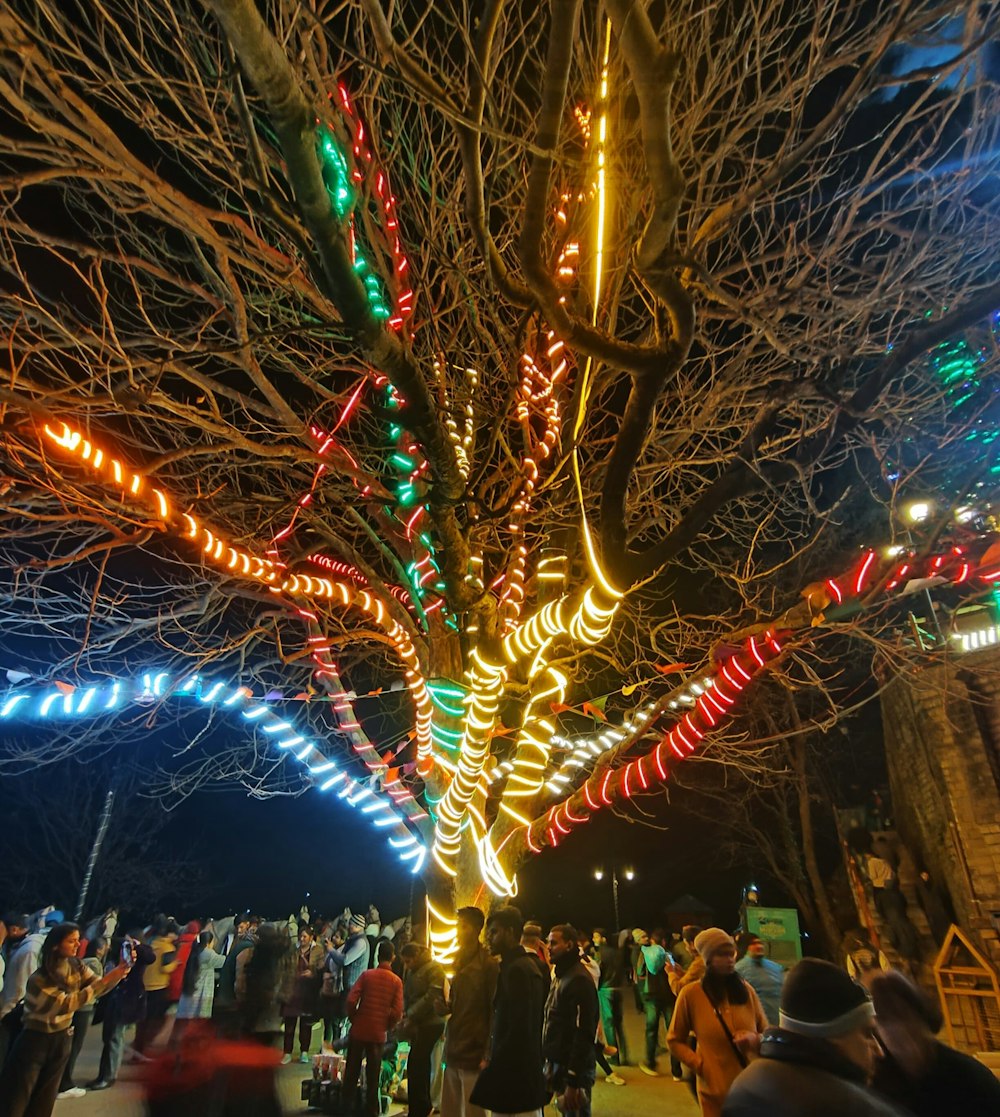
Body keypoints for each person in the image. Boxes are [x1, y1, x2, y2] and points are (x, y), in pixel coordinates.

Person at [721, 958, 909, 1116]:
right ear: (830, 1035)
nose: (879, 1050)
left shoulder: (749, 1080)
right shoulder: (845, 1106)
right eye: (868, 1034)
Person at [0, 922, 129, 1117]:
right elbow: (67, 1004)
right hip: (35, 1040)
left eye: (78, 940)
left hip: (61, 1037)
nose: (77, 945)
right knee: (18, 1096)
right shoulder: (39, 978)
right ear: (55, 945)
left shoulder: (76, 965)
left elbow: (98, 988)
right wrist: (105, 981)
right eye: (71, 941)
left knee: (45, 1098)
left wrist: (119, 972)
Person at [870, 968, 1000, 1116]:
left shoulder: (970, 1077)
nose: (900, 1029)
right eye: (887, 1020)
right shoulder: (877, 1086)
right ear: (877, 1031)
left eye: (905, 1015)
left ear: (924, 1018)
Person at [667, 928, 767, 1117]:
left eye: (731, 954)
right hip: (714, 1096)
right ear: (708, 959)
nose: (729, 959)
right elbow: (674, 1040)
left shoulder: (746, 991)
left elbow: (766, 1032)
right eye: (722, 954)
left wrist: (755, 1038)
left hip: (751, 1093)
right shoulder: (691, 995)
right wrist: (700, 1064)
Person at [471, 906, 549, 1117]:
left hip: (516, 1075)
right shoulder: (519, 966)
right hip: (520, 1073)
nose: (489, 938)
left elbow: (519, 1026)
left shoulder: (517, 970)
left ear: (511, 932)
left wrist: (495, 1062)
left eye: (495, 932)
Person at [439, 907, 498, 1117]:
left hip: (474, 1047)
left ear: (476, 929)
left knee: (475, 1110)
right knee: (451, 1108)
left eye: (463, 927)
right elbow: (456, 1003)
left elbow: (493, 1010)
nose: (458, 931)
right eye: (458, 926)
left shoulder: (488, 965)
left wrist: (487, 1052)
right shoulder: (458, 960)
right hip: (455, 1044)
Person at [88, 932, 156, 1090]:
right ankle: (103, 1074)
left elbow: (150, 957)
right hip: (114, 997)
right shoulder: (119, 951)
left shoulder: (141, 952)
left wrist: (137, 946)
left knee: (114, 1038)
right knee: (109, 1037)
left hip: (126, 1000)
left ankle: (109, 1077)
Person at [343, 939, 404, 1117]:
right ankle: (371, 1112)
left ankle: (345, 1109)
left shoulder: (366, 975)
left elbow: (350, 1000)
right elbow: (398, 1012)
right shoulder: (396, 981)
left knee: (351, 1073)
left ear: (377, 956)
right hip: (378, 1035)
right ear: (392, 957)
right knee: (373, 1076)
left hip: (359, 1031)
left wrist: (355, 1018)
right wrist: (387, 1025)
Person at [543, 924, 598, 1117]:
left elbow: (584, 1032)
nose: (548, 947)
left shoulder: (578, 980)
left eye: (553, 943)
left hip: (573, 1069)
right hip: (559, 1065)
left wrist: (574, 1079)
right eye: (548, 942)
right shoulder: (562, 975)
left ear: (569, 945)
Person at [56, 935, 108, 1098]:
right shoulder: (94, 963)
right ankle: (64, 1084)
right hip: (83, 1008)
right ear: (100, 949)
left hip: (77, 1007)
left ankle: (61, 1082)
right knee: (74, 1046)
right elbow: (98, 986)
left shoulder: (82, 961)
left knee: (69, 1046)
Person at [399, 941, 446, 1117]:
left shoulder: (434, 969)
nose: (406, 965)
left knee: (418, 1062)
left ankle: (421, 1107)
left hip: (431, 1022)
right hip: (418, 1022)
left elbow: (431, 996)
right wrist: (406, 1012)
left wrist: (411, 1014)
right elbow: (406, 992)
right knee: (419, 1064)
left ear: (416, 956)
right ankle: (420, 1106)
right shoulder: (412, 971)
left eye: (408, 961)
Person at [635, 927, 681, 1079]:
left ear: (652, 940)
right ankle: (676, 1070)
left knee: (651, 1030)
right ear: (663, 941)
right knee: (672, 1031)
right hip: (668, 995)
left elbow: (640, 972)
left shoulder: (645, 953)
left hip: (651, 994)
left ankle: (650, 1063)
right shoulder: (669, 955)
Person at [134, 916, 179, 1053]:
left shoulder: (149, 943)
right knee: (155, 1020)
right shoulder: (168, 948)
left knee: (142, 1020)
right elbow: (164, 968)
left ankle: (138, 1047)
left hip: (144, 985)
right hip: (159, 987)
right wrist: (175, 964)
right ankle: (146, 1049)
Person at [280, 925, 324, 1064]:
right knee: (289, 1025)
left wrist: (313, 973)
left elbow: (322, 968)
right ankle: (287, 1052)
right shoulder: (293, 950)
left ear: (311, 937)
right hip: (292, 991)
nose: (302, 938)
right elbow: (284, 966)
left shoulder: (318, 950)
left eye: (305, 936)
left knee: (306, 1025)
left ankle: (304, 1052)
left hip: (308, 992)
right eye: (301, 936)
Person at [592, 928, 629, 1067]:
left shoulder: (600, 953)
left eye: (596, 937)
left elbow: (598, 972)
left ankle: (614, 1056)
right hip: (617, 989)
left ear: (603, 938)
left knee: (609, 1024)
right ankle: (625, 1055)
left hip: (606, 989)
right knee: (619, 1024)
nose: (593, 939)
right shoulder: (617, 953)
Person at [175, 930, 225, 1031]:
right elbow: (224, 961)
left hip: (191, 988)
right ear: (209, 942)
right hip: (201, 992)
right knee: (197, 1021)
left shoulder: (196, 950)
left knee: (184, 1020)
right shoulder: (208, 953)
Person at [734, 939, 783, 1025]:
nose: (759, 946)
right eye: (753, 944)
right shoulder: (738, 969)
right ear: (747, 948)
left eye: (760, 943)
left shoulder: (775, 968)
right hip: (756, 1023)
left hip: (778, 1020)